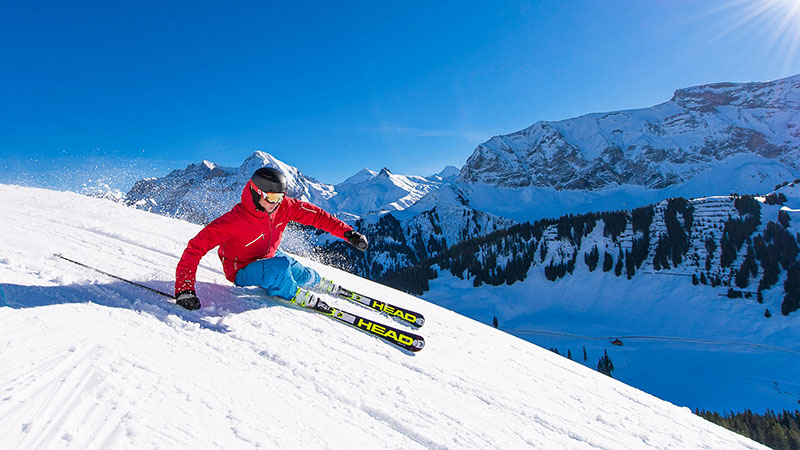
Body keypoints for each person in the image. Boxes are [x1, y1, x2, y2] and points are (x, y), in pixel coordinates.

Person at [174, 167, 368, 310]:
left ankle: (318, 282)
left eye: (281, 197)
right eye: (273, 198)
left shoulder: (283, 206)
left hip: (268, 255)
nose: (277, 203)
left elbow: (317, 216)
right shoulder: (234, 221)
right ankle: (294, 294)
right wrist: (185, 289)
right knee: (280, 269)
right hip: (242, 270)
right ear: (256, 193)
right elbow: (195, 248)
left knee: (298, 270)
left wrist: (348, 233)